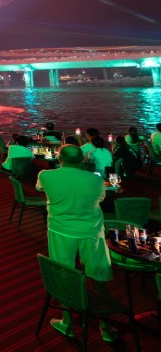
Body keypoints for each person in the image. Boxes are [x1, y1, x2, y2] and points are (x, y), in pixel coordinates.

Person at [35, 144, 117, 341]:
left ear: (59, 158)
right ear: (82, 159)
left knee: (64, 274)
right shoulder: (96, 180)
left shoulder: (46, 175)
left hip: (61, 231)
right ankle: (105, 326)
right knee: (98, 276)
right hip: (91, 232)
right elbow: (102, 198)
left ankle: (67, 321)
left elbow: (39, 189)